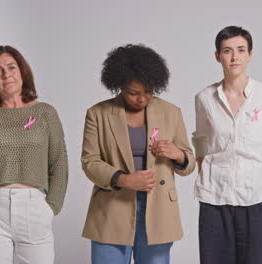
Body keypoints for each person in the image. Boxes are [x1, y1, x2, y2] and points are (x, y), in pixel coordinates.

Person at [81, 44, 195, 264]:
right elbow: (90, 161)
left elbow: (189, 164)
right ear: (120, 86)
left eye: (148, 92)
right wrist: (123, 179)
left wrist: (178, 154)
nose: (142, 99)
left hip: (158, 209)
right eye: (134, 93)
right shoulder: (98, 114)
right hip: (112, 208)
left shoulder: (171, 112)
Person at [192, 26, 262, 264]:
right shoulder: (204, 98)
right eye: (227, 51)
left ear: (250, 54)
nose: (234, 57)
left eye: (240, 50)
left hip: (257, 197)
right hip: (214, 199)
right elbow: (201, 140)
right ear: (217, 56)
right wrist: (205, 172)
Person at [0, 45, 68, 264]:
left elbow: (59, 164)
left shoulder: (46, 113)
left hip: (35, 208)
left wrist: (50, 207)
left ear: (22, 72)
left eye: (11, 67)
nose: (6, 74)